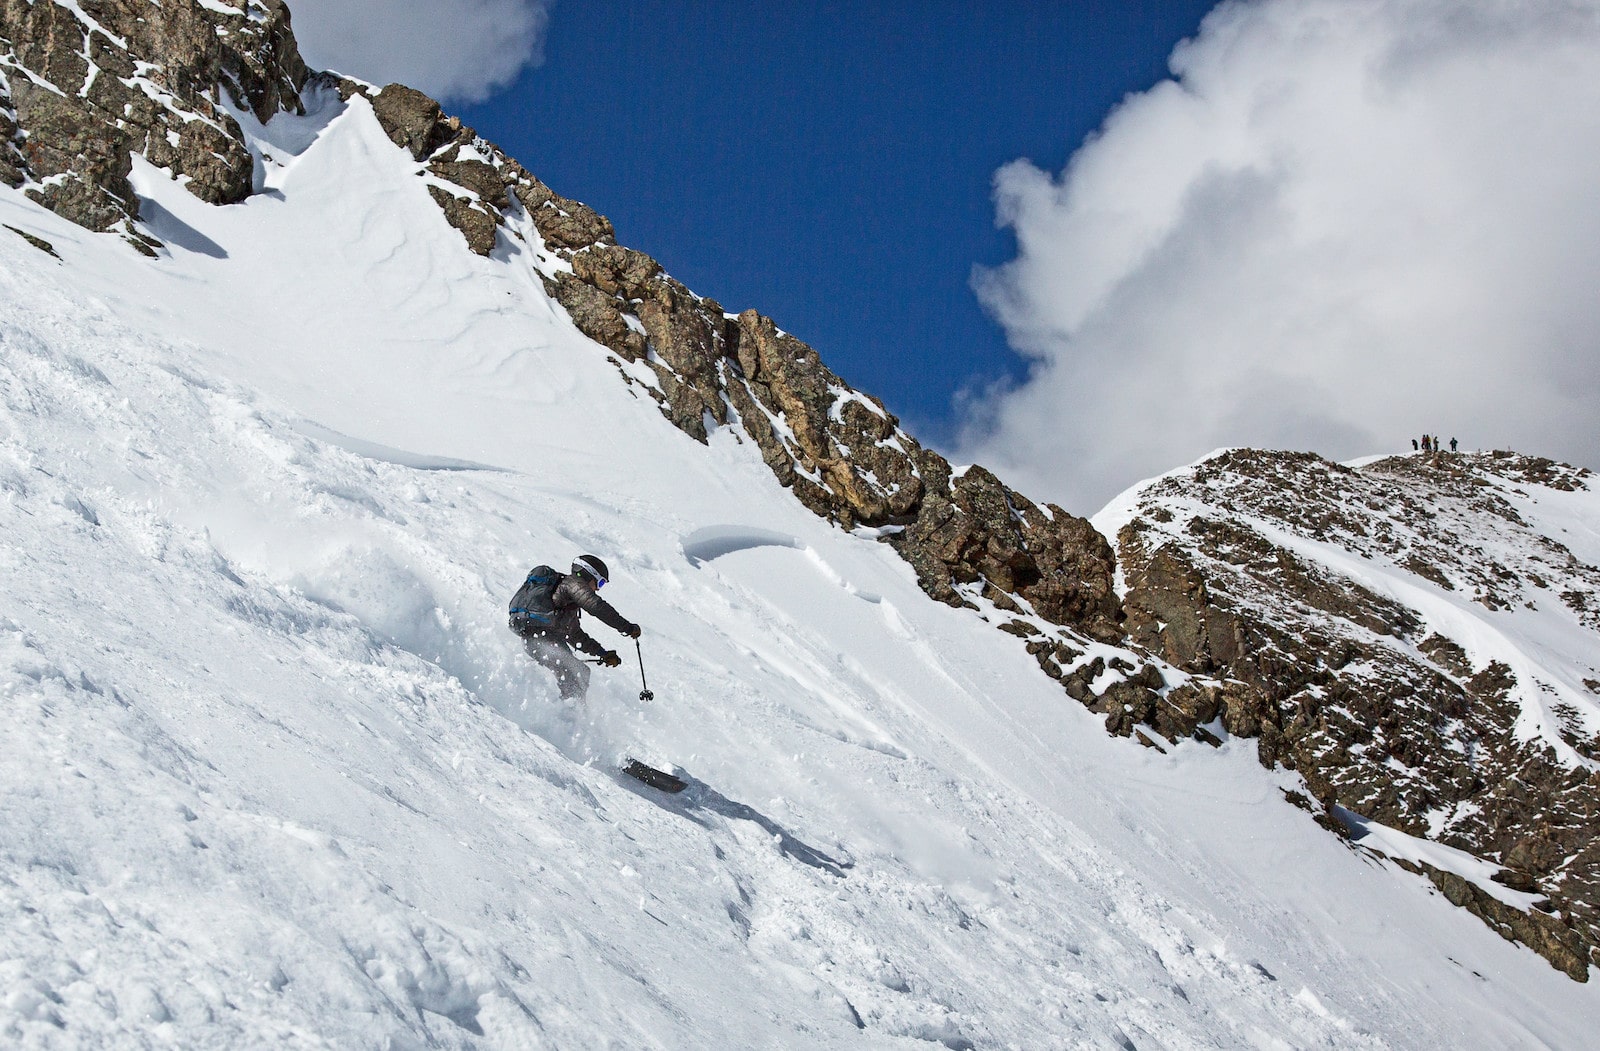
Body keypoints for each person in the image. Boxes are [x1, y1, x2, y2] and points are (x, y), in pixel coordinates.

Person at [519, 554, 642, 700]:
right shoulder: (573, 583)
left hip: (536, 639)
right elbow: (596, 606)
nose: (598, 589)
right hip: (541, 638)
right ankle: (568, 716)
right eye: (600, 583)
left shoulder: (564, 599)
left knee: (581, 672)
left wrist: (602, 653)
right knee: (577, 674)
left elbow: (575, 635)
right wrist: (627, 627)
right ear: (589, 575)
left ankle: (567, 712)